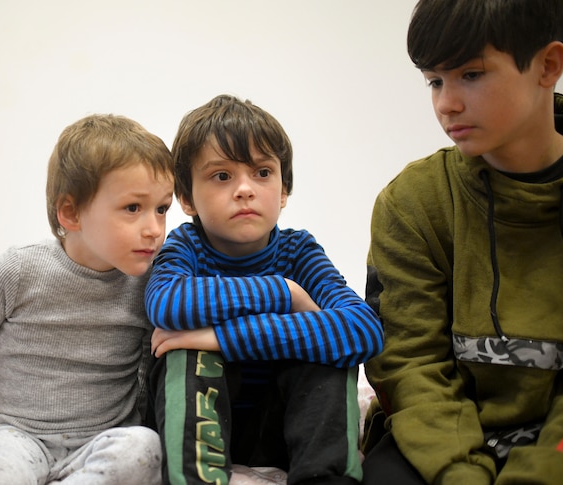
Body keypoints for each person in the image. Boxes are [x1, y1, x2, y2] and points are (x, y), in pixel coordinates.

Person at [361, 1, 563, 484]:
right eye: (435, 80)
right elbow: (410, 365)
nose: (446, 103)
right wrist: (461, 475)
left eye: (470, 75)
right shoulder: (411, 203)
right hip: (441, 442)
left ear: (548, 65)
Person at [145, 94, 384, 485]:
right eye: (222, 176)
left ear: (284, 190)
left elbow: (364, 329)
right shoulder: (185, 247)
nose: (244, 189)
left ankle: (325, 479)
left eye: (261, 173)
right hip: (204, 432)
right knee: (184, 350)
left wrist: (222, 337)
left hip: (280, 433)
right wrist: (284, 294)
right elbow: (166, 303)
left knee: (332, 348)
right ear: (186, 198)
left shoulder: (299, 250)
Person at [0, 114, 173, 484]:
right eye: (133, 208)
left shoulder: (149, 284)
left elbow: (145, 373)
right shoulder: (16, 271)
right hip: (18, 436)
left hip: (102, 440)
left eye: (162, 209)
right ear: (71, 212)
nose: (154, 229)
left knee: (144, 448)